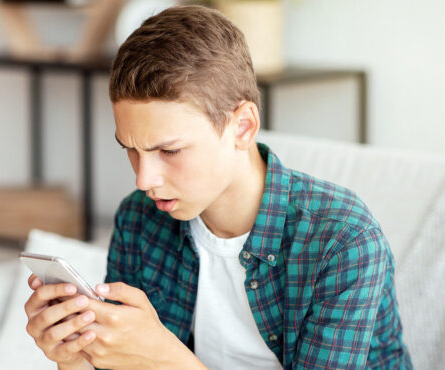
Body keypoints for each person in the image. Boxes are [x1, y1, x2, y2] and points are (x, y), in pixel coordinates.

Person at [23, 5, 411, 369]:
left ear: (242, 127)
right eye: (132, 150)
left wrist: (165, 357)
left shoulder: (342, 240)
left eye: (169, 150)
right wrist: (74, 357)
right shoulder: (140, 219)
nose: (144, 180)